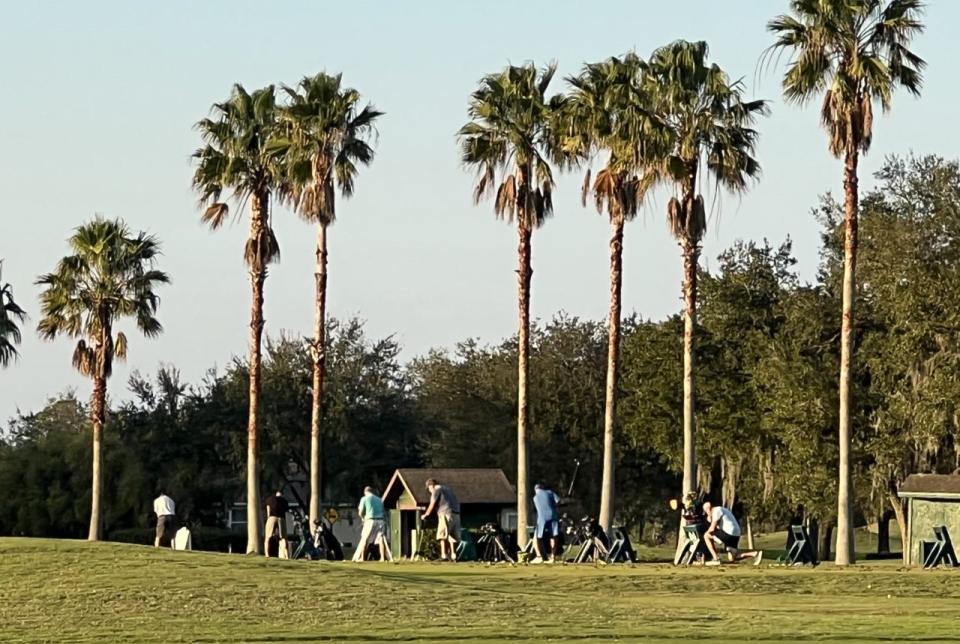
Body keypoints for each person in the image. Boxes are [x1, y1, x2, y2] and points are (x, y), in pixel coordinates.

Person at [702, 500, 763, 566]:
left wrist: (709, 533)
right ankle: (755, 554)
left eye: (706, 512)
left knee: (706, 535)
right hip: (736, 535)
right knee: (732, 558)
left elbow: (712, 529)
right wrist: (710, 519)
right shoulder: (721, 510)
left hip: (729, 533)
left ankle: (716, 558)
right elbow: (717, 527)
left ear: (708, 509)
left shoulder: (716, 510)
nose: (707, 514)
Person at [421, 478, 460, 561]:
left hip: (445, 513)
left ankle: (444, 555)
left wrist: (426, 514)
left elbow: (432, 503)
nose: (429, 491)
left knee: (442, 535)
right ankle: (454, 556)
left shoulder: (436, 490)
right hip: (456, 514)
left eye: (428, 489)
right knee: (452, 536)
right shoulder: (448, 489)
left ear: (431, 486)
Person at [354, 486, 388, 562]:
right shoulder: (379, 500)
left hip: (370, 520)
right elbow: (383, 511)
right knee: (381, 538)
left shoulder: (364, 498)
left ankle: (362, 558)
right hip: (381, 521)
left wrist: (363, 519)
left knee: (365, 538)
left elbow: (360, 512)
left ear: (365, 492)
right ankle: (382, 558)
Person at [532, 483, 561, 563]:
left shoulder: (535, 497)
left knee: (538, 537)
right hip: (553, 516)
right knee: (553, 536)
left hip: (542, 519)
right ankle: (553, 557)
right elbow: (559, 501)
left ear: (536, 490)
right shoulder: (550, 492)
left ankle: (541, 557)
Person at [264, 489, 289, 558]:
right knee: (283, 538)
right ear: (282, 494)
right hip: (281, 518)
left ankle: (267, 554)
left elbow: (268, 511)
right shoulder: (284, 501)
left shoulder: (269, 500)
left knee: (267, 537)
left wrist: (268, 519)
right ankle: (287, 556)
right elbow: (286, 511)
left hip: (272, 518)